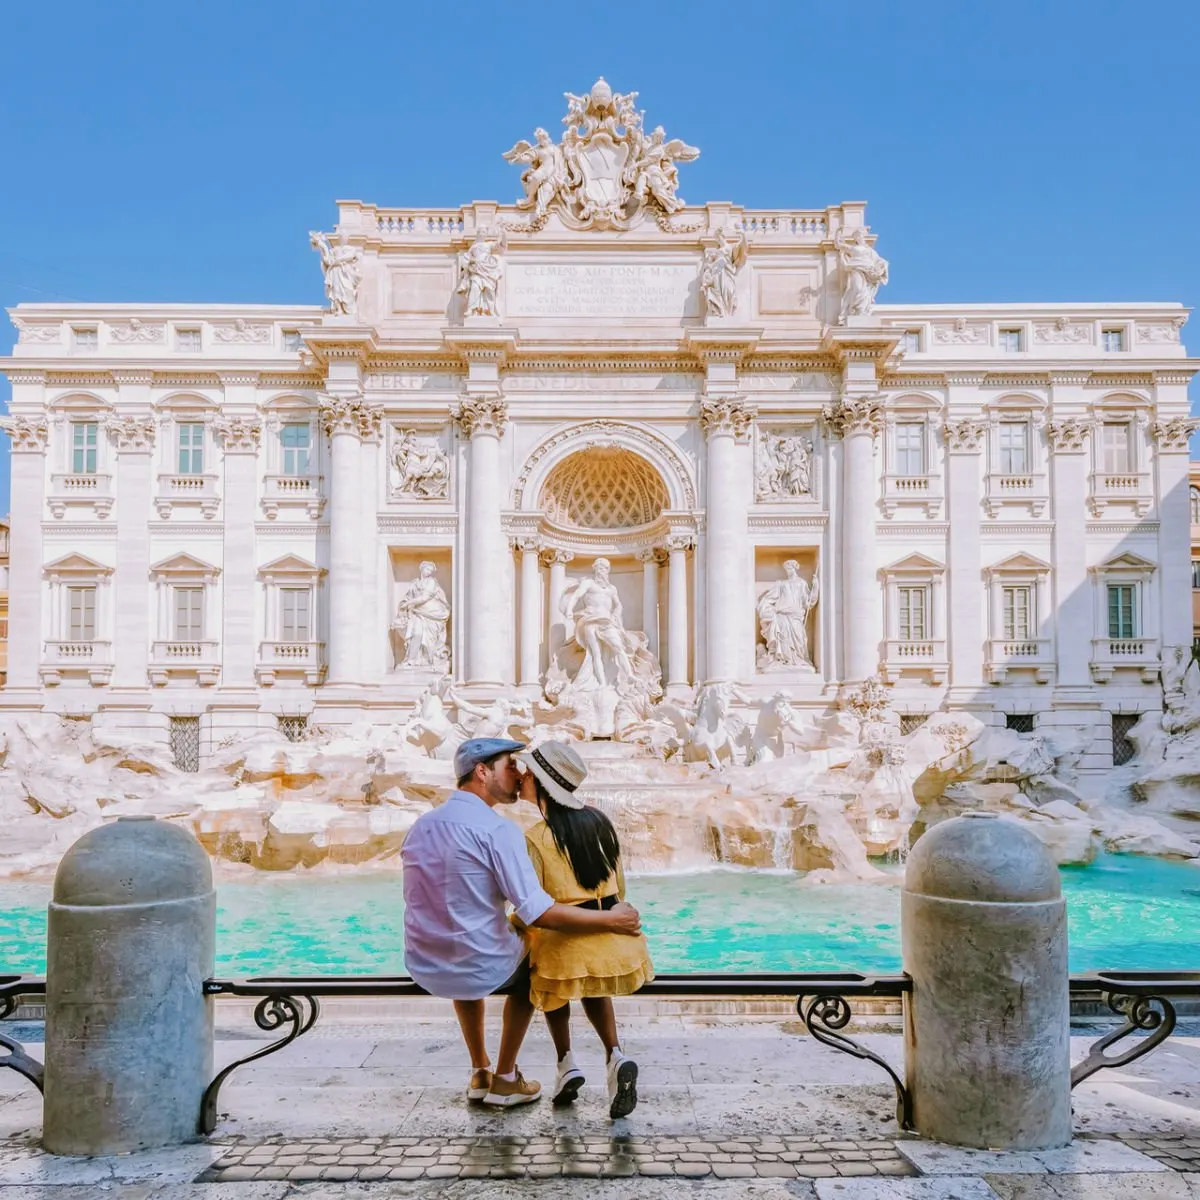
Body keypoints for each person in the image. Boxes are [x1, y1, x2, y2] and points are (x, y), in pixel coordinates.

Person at [401, 737, 643, 1108]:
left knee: (498, 941)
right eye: (510, 765)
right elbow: (539, 911)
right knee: (538, 957)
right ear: (482, 772)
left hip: (424, 962)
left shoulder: (421, 825)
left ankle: (483, 1069)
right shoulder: (500, 831)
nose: (518, 773)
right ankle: (506, 1077)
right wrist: (609, 919)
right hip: (479, 963)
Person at [515, 741, 654, 1119]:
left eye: (527, 773)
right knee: (588, 976)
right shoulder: (599, 820)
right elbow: (619, 889)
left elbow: (536, 906)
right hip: (618, 942)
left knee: (548, 970)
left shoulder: (535, 836)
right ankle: (615, 1055)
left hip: (564, 943)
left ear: (543, 783)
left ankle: (567, 1063)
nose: (521, 777)